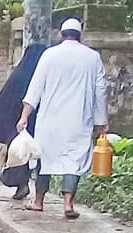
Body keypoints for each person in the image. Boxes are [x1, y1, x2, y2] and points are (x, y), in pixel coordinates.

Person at [17, 18, 108, 219]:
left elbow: (35, 88)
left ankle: (39, 201)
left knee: (44, 158)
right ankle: (68, 204)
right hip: (79, 120)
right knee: (73, 161)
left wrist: (24, 116)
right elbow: (101, 91)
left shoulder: (49, 55)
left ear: (61, 34)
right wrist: (101, 122)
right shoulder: (93, 58)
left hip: (50, 120)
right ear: (79, 35)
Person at [0, 43, 48, 200]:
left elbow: (5, 100)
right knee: (40, 157)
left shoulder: (19, 74)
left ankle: (21, 184)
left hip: (19, 122)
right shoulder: (44, 77)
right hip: (40, 122)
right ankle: (39, 191)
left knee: (21, 153)